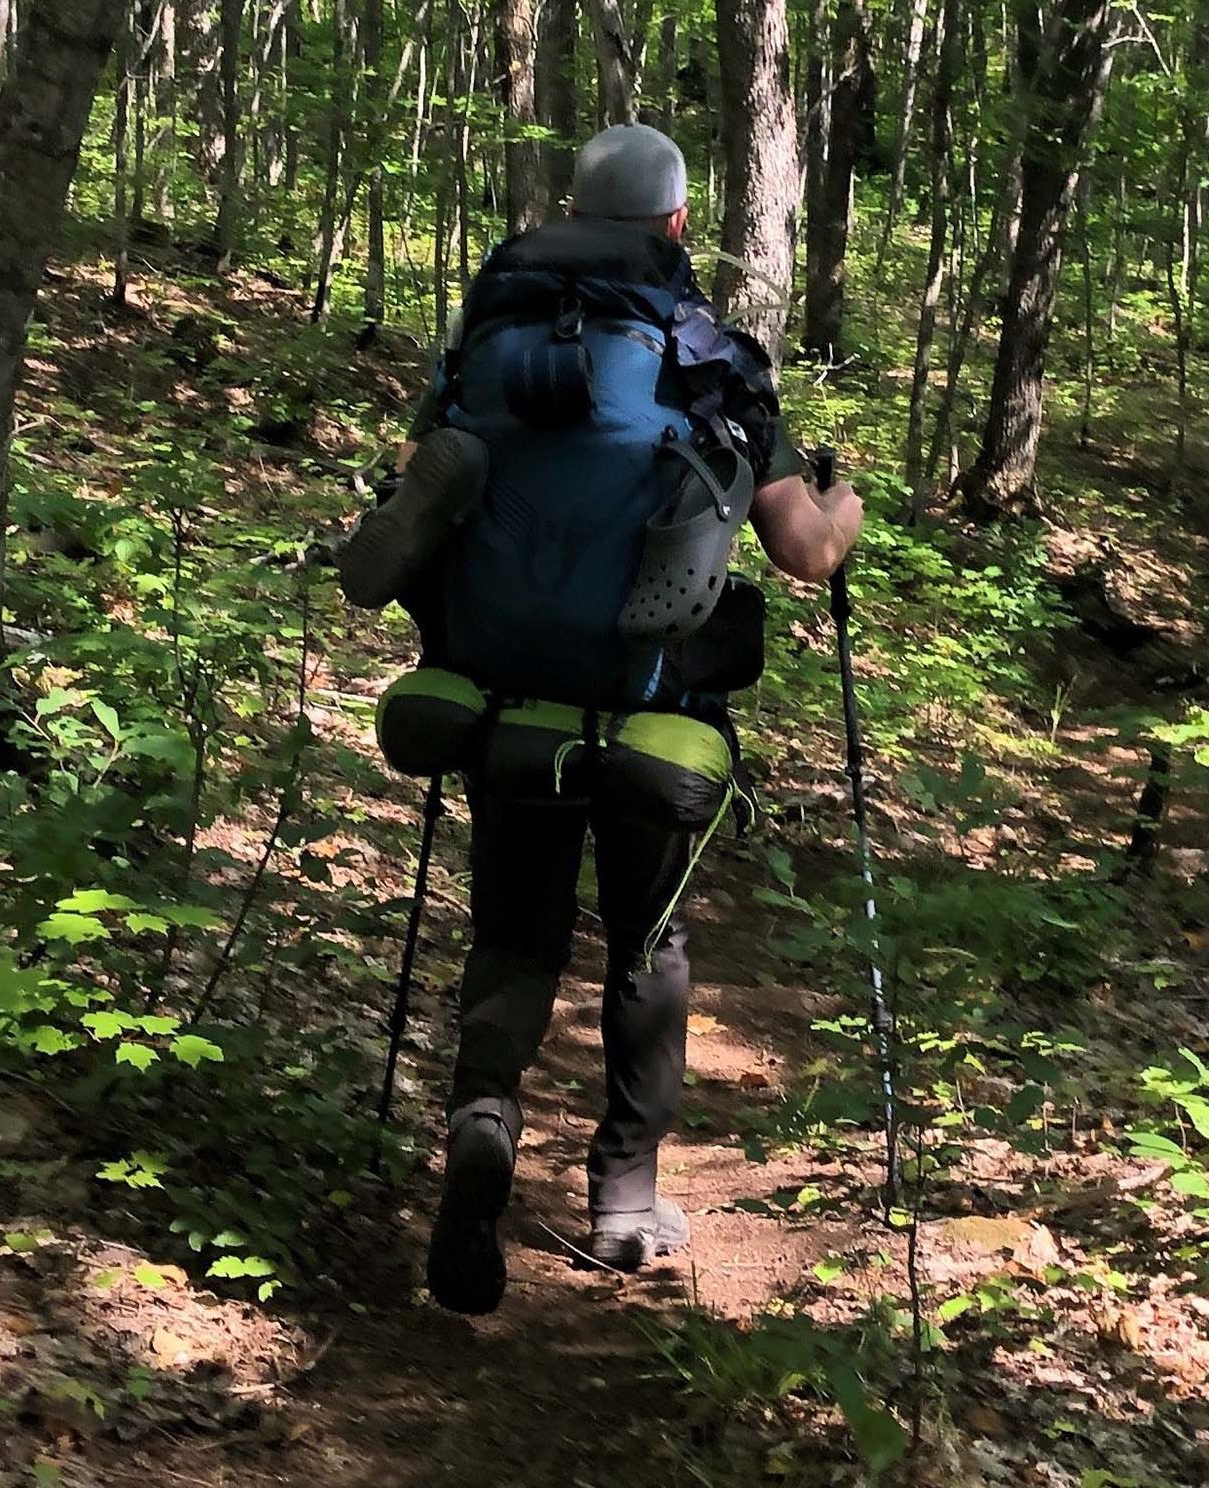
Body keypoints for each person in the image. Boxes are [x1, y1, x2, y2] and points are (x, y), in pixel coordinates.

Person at [369, 125, 863, 1316]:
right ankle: (625, 1198)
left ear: (573, 210)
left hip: (499, 706)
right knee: (646, 945)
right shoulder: (707, 358)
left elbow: (419, 493)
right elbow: (802, 550)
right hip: (653, 718)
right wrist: (843, 506)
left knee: (514, 937)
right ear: (678, 225)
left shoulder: (486, 345)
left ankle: (483, 1122)